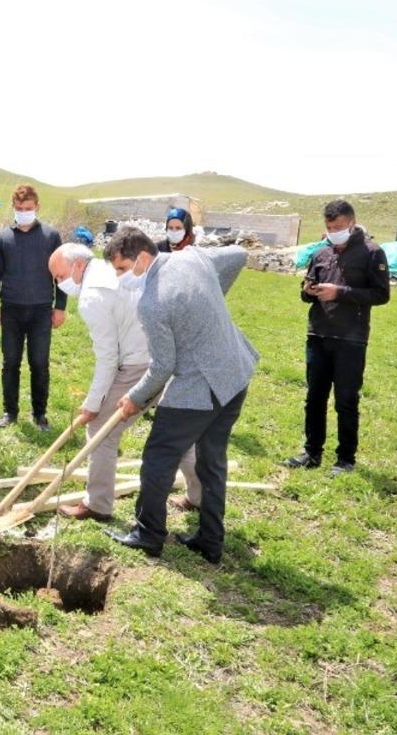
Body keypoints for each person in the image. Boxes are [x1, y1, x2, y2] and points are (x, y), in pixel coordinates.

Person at [103, 228, 257, 564]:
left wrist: (134, 398)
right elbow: (238, 255)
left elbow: (163, 367)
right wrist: (205, 306)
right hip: (236, 373)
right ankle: (210, 540)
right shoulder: (192, 257)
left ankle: (148, 534)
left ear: (143, 257)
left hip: (200, 387)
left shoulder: (152, 302)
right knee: (212, 460)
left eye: (122, 268)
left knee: (158, 458)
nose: (120, 277)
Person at [48, 243, 200, 521]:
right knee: (176, 432)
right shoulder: (110, 268)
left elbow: (108, 357)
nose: (60, 284)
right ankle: (201, 495)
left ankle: (97, 504)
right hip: (167, 355)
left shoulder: (92, 296)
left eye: (59, 276)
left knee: (101, 431)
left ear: (78, 265)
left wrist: (93, 403)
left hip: (139, 363)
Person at [283, 199, 390, 476]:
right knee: (314, 398)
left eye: (338, 227)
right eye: (329, 227)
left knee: (346, 400)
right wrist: (308, 290)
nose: (333, 232)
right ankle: (312, 452)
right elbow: (306, 290)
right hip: (318, 334)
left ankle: (345, 459)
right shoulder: (321, 253)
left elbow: (381, 294)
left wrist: (339, 292)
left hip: (351, 339)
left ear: (351, 223)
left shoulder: (372, 252)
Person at [0, 183, 65, 431]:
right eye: (19, 209)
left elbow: (61, 274)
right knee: (10, 362)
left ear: (37, 207)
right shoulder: (3, 238)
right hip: (11, 309)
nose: (23, 213)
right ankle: (10, 412)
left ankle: (40, 414)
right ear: (13, 208)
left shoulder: (51, 236)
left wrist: (60, 306)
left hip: (41, 310)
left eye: (28, 208)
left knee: (39, 363)